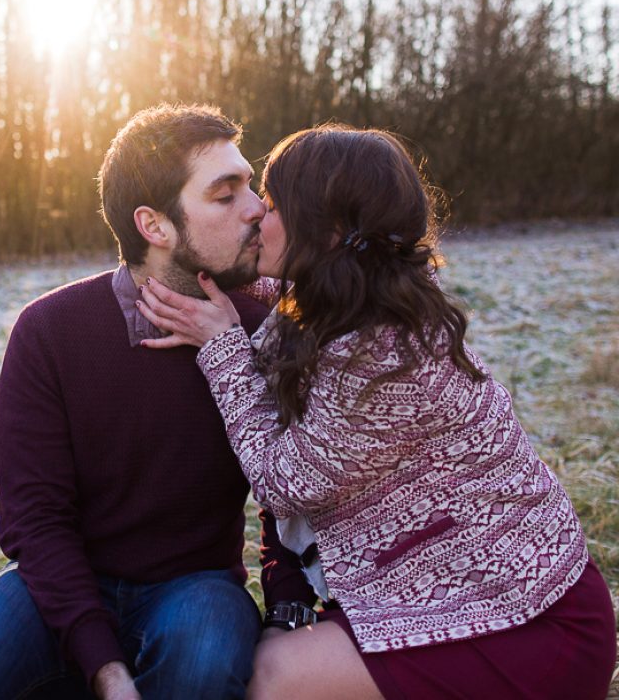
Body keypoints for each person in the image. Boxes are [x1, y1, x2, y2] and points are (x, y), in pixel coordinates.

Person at [138, 124, 617, 700]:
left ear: (330, 229)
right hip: (458, 594)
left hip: (526, 625)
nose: (258, 213)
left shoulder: (385, 352)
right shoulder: (357, 297)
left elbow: (284, 481)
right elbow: (286, 299)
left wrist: (222, 350)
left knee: (272, 677)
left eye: (274, 201)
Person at [0, 104, 292, 700]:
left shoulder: (264, 330)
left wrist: (285, 614)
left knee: (204, 660)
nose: (256, 207)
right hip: (63, 584)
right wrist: (105, 667)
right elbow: (35, 518)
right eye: (226, 194)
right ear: (155, 226)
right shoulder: (50, 331)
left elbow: (295, 498)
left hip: (195, 587)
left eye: (249, 185)